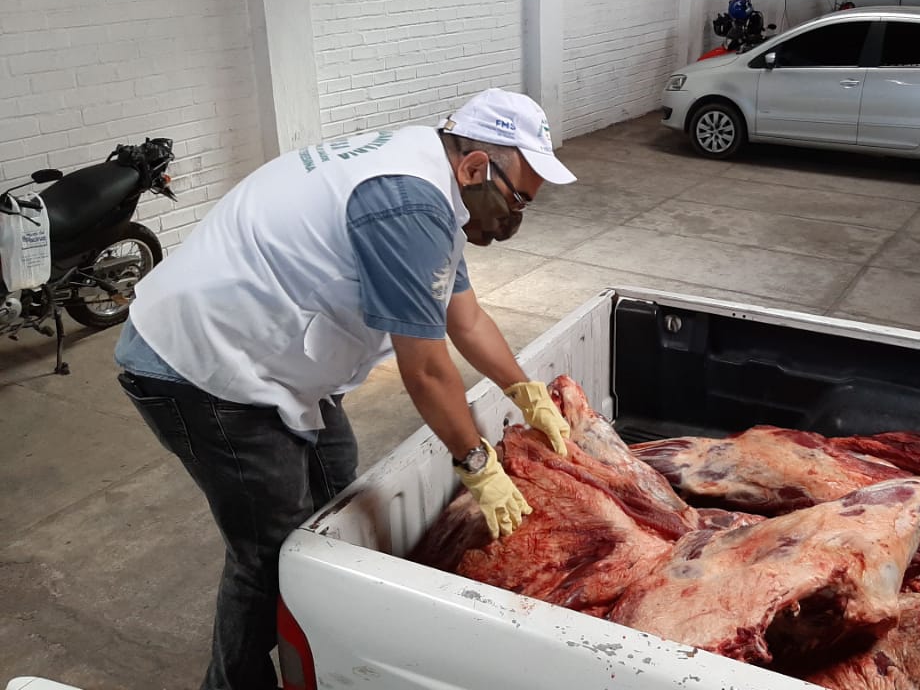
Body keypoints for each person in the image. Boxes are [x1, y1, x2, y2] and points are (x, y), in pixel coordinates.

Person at [112, 88, 578, 690]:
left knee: (335, 481)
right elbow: (427, 368)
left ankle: (331, 647)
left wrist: (524, 391)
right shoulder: (406, 204)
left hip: (269, 354)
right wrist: (476, 463)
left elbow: (464, 319)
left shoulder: (435, 182)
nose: (516, 213)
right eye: (517, 197)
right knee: (269, 551)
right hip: (200, 365)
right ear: (474, 165)